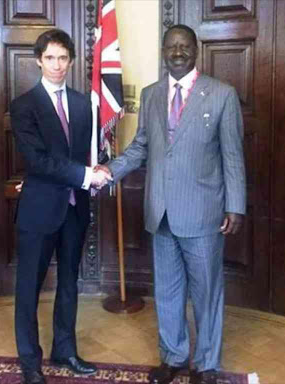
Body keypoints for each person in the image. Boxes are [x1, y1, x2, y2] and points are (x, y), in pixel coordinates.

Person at [95, 24, 246, 384]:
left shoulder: (222, 94)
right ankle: (173, 356)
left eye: (184, 46)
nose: (177, 52)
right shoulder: (151, 94)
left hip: (204, 212)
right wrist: (108, 171)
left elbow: (233, 156)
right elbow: (141, 148)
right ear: (163, 51)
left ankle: (207, 364)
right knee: (168, 289)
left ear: (196, 50)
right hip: (160, 211)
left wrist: (236, 205)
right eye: (171, 47)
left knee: (207, 291)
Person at [10, 29, 110, 384]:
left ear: (70, 61)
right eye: (50, 58)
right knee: (29, 287)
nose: (57, 65)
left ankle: (64, 349)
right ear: (39, 60)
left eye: (63, 58)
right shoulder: (24, 105)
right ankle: (30, 360)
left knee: (69, 281)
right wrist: (86, 175)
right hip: (40, 209)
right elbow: (38, 161)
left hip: (74, 209)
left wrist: (98, 170)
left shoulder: (85, 104)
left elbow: (87, 154)